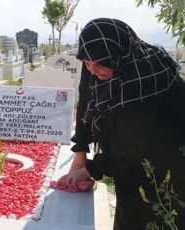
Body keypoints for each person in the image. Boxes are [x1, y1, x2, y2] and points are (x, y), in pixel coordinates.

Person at [58, 18, 185, 229]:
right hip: (126, 163)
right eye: (87, 63)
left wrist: (92, 168)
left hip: (165, 162)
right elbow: (86, 100)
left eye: (98, 65)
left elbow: (134, 138)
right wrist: (80, 152)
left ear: (118, 57)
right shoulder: (96, 59)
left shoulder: (147, 74)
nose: (92, 71)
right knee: (129, 213)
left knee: (160, 216)